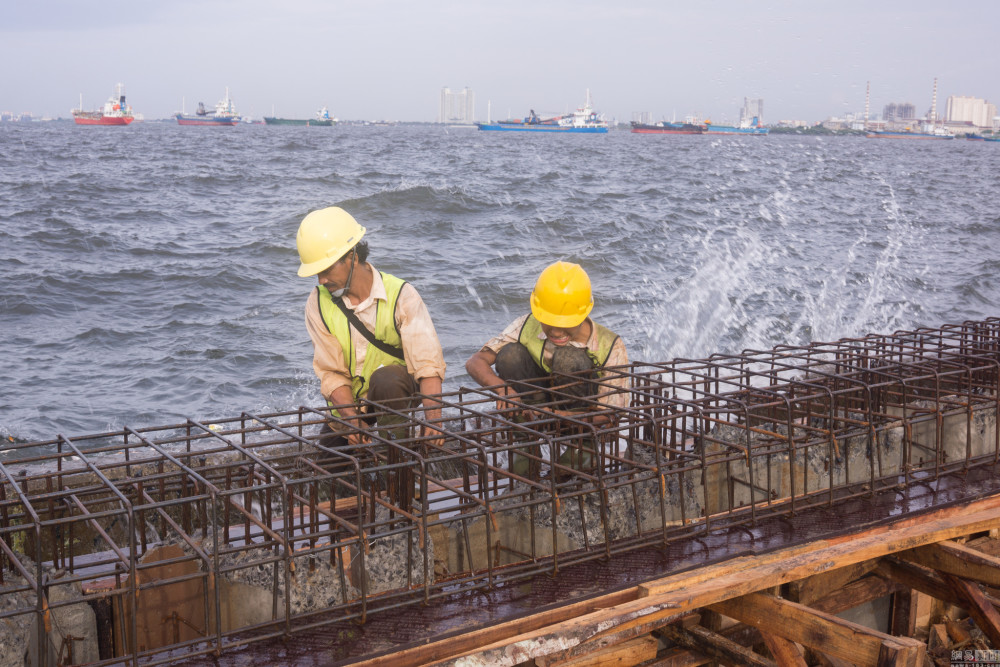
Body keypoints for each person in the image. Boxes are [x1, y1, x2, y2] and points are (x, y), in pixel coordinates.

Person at [296, 206, 446, 448]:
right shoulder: (318, 302)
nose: (321, 280)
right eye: (317, 273)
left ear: (352, 257)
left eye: (326, 270)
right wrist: (353, 422)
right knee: (329, 477)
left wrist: (434, 422)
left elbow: (427, 364)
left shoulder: (401, 295)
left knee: (387, 380)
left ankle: (398, 454)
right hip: (350, 407)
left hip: (393, 396)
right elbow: (332, 374)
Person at [465, 261, 629, 474]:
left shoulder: (611, 346)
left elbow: (609, 415)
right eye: (548, 322)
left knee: (569, 359)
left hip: (582, 424)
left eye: (565, 324)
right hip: (535, 412)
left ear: (582, 314)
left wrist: (553, 414)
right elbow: (475, 362)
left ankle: (581, 452)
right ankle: (527, 446)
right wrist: (503, 390)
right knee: (510, 355)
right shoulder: (527, 323)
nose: (557, 331)